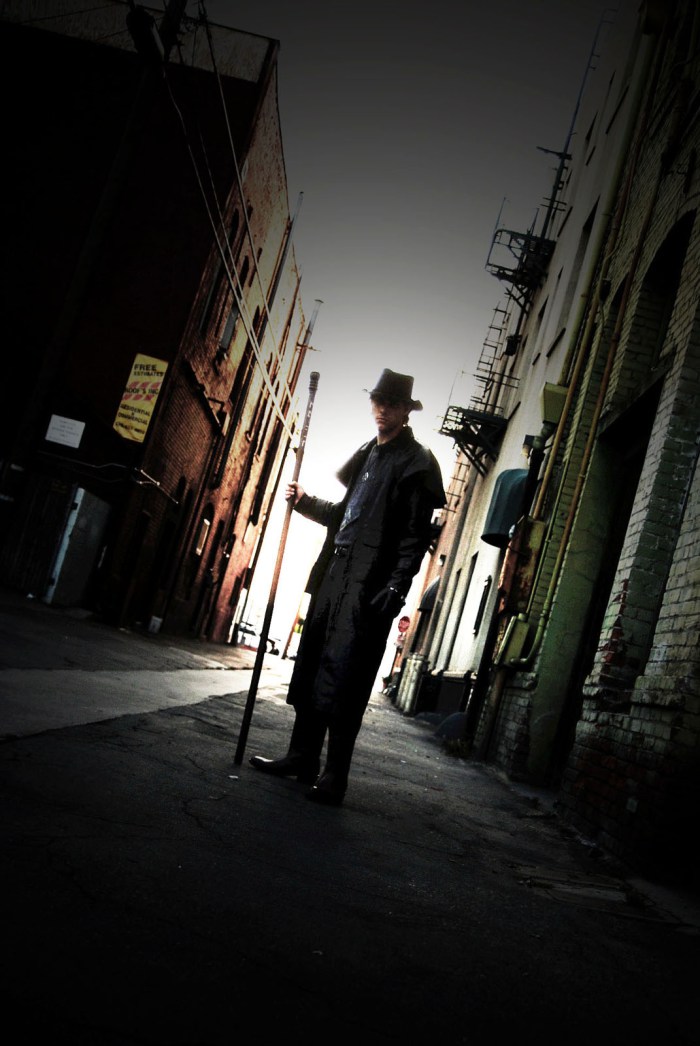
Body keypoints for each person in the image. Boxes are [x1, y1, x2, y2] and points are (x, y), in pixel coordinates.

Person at [249, 369, 445, 806]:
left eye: (391, 404)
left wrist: (396, 588)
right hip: (335, 573)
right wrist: (304, 502)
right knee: (312, 662)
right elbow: (344, 515)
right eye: (378, 401)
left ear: (405, 411)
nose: (382, 410)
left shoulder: (417, 462)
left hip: (369, 583)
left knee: (347, 675)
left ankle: (335, 776)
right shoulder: (367, 454)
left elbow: (415, 536)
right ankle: (301, 757)